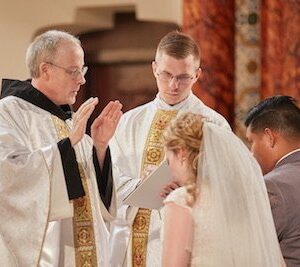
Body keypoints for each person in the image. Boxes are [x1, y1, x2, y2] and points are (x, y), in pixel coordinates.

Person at [0, 30, 122, 267]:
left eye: (82, 70)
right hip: (50, 255)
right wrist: (66, 146)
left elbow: (98, 200)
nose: (82, 80)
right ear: (45, 69)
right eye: (73, 71)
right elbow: (9, 175)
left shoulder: (68, 120)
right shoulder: (10, 112)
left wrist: (98, 146)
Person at [109, 31, 230, 266]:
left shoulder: (213, 124)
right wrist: (139, 184)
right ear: (154, 68)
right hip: (134, 237)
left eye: (183, 77)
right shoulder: (130, 122)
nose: (173, 85)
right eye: (166, 74)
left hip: (188, 235)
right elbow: (108, 176)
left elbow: (225, 183)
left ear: (197, 75)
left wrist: (188, 184)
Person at [161, 112, 285, 267]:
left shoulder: (182, 200)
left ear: (181, 153)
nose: (170, 169)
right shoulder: (243, 199)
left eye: (168, 160)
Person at [245, 95, 300, 266]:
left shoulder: (273, 186)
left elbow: (242, 249)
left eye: (251, 142)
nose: (251, 153)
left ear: (269, 137)